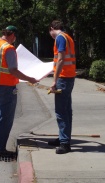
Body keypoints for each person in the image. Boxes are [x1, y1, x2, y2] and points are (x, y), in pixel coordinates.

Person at [0, 25, 38, 156]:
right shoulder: (9, 48)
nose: (15, 39)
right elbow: (13, 70)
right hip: (6, 88)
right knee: (4, 118)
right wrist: (30, 79)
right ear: (12, 35)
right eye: (15, 36)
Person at [48, 20, 76, 154]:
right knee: (67, 110)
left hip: (63, 78)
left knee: (61, 111)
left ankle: (65, 143)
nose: (51, 35)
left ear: (52, 28)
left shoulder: (60, 38)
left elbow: (60, 59)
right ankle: (63, 138)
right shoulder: (68, 37)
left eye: (50, 32)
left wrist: (54, 80)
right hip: (69, 77)